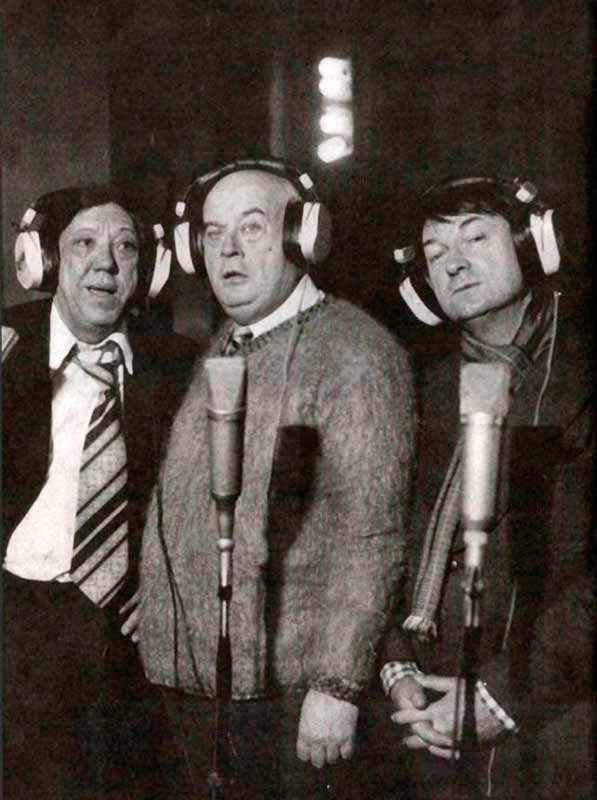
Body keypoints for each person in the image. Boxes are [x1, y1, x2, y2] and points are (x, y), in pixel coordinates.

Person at [138, 158, 416, 799]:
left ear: (301, 237)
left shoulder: (357, 351)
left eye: (252, 228)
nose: (227, 251)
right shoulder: (225, 342)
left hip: (288, 697)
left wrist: (338, 685)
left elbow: (372, 535)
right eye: (212, 234)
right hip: (195, 684)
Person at [382, 176, 594, 800]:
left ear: (534, 246)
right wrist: (397, 666)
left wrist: (503, 694)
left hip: (554, 731)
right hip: (428, 721)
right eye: (435, 250)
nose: (452, 262)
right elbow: (384, 536)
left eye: (475, 238)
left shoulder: (582, 377)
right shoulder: (422, 387)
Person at [2, 184, 197, 800]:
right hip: (17, 620)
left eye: (126, 247)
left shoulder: (179, 364)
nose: (106, 264)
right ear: (45, 260)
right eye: (84, 244)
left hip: (130, 629)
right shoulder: (5, 347)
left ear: (148, 270)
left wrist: (166, 586)